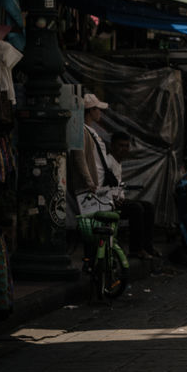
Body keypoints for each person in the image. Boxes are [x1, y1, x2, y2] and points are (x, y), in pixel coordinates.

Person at [105, 132, 158, 260]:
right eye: (121, 145)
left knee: (148, 206)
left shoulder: (118, 163)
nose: (124, 149)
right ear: (112, 146)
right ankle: (136, 250)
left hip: (119, 199)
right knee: (136, 208)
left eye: (127, 146)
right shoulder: (107, 162)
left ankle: (147, 247)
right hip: (108, 202)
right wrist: (112, 198)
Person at [69, 93, 111, 213]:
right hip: (91, 186)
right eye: (97, 109)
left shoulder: (91, 131)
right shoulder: (81, 131)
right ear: (91, 111)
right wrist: (90, 182)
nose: (100, 113)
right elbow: (80, 158)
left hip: (99, 184)